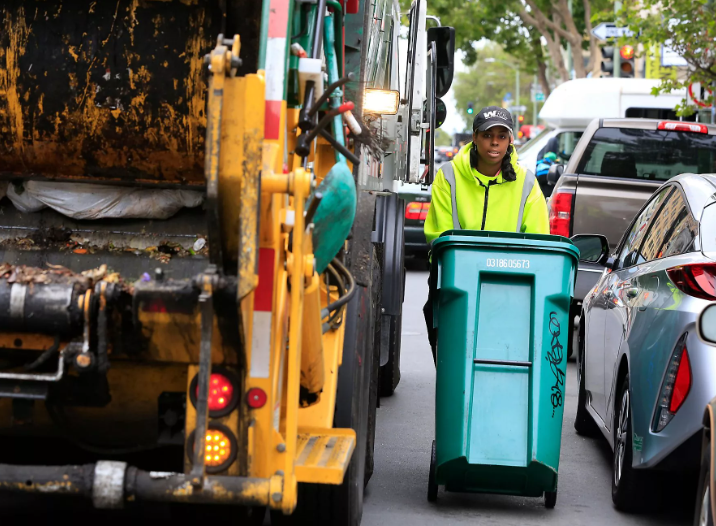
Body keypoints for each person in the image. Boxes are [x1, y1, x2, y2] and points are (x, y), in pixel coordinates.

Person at [423, 106, 549, 363]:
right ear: (475, 137)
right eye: (487, 135)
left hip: (510, 284)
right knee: (452, 354)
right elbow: (438, 234)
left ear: (510, 140)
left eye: (502, 136)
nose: (494, 142)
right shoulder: (448, 175)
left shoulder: (526, 182)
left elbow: (538, 240)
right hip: (455, 281)